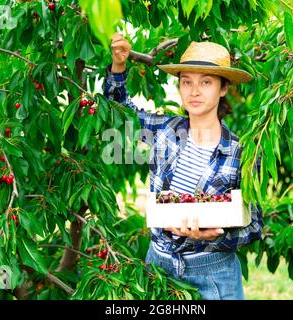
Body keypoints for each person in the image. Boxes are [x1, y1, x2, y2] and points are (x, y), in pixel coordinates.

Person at [104, 33, 263, 300]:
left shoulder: (241, 153)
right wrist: (119, 66)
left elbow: (254, 225)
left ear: (223, 88)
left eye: (206, 82)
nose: (194, 91)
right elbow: (118, 111)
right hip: (159, 270)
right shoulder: (164, 131)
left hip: (212, 276)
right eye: (186, 82)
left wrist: (213, 237)